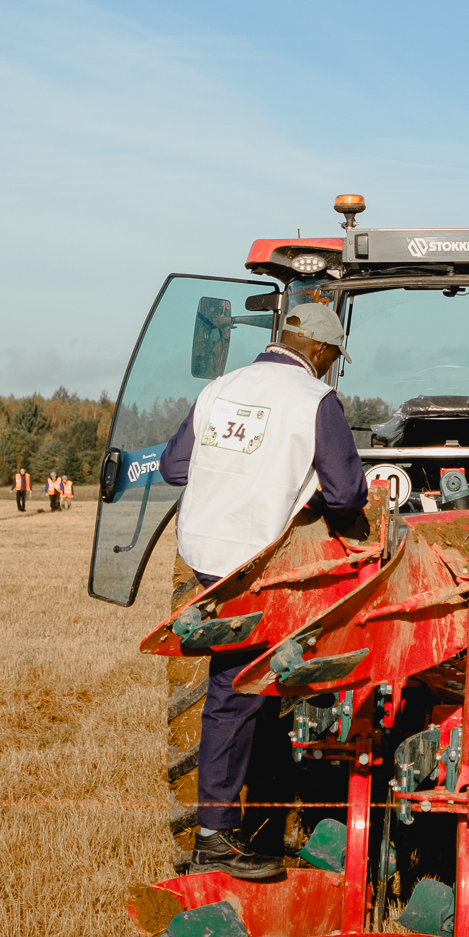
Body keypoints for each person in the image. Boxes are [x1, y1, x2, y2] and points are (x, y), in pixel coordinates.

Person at [159, 301, 367, 881]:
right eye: (332, 356)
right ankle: (218, 838)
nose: (329, 366)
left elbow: (175, 468)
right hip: (257, 565)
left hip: (205, 561)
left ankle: (234, 825)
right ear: (319, 350)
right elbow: (347, 495)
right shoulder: (314, 400)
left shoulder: (220, 389)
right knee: (242, 689)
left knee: (236, 687)